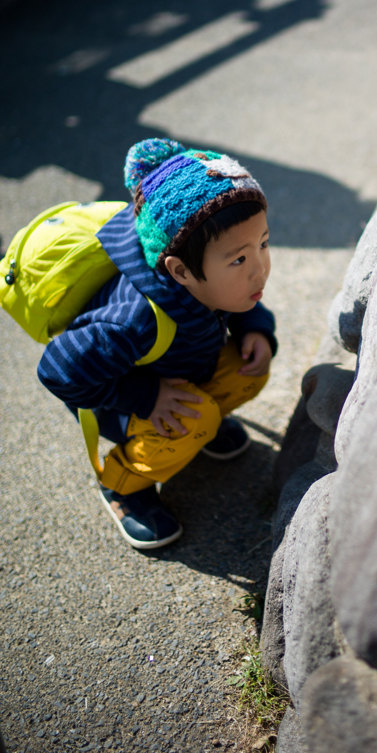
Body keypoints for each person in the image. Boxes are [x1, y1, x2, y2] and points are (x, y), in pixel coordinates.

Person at [37, 138, 276, 550]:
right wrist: (146, 396)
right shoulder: (132, 320)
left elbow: (231, 302)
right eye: (239, 259)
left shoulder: (206, 280)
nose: (259, 270)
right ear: (179, 270)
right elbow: (57, 368)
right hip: (119, 401)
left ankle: (198, 427)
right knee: (192, 422)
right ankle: (123, 488)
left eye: (264, 244)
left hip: (181, 371)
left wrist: (254, 325)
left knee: (246, 369)